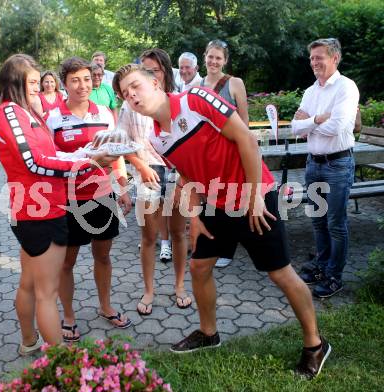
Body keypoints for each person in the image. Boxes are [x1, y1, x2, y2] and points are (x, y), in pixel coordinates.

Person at [113, 64, 331, 379]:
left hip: (253, 195)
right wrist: (196, 216)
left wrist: (255, 196)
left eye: (135, 86)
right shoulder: (157, 139)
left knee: (280, 273)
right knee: (199, 267)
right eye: (125, 93)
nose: (132, 95)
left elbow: (246, 140)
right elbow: (188, 176)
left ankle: (314, 344)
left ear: (155, 82)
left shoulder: (196, 99)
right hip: (216, 204)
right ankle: (208, 333)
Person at [0, 54, 115, 353]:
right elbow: (34, 163)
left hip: (37, 208)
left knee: (30, 283)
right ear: (15, 81)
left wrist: (83, 156)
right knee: (46, 292)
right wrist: (86, 165)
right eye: (32, 82)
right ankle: (61, 359)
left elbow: (51, 155)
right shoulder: (11, 113)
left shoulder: (22, 112)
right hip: (40, 210)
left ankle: (29, 341)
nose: (38, 87)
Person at [45, 56, 132, 341]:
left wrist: (122, 186)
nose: (82, 85)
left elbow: (116, 152)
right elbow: (46, 160)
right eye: (75, 80)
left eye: (86, 79)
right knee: (67, 262)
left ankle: (105, 307)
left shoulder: (105, 113)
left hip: (102, 195)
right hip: (67, 200)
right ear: (64, 84)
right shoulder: (53, 118)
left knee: (103, 255)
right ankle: (68, 316)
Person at [117, 48, 192, 316]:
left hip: (178, 173)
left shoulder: (179, 101)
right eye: (144, 69)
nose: (149, 74)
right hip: (146, 173)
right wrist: (139, 164)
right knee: (148, 236)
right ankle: (149, 290)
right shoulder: (130, 105)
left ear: (162, 75)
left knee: (179, 232)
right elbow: (121, 142)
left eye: (154, 70)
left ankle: (180, 286)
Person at [291, 38, 358, 298]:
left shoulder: (346, 88)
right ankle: (321, 266)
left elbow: (339, 127)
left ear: (335, 58)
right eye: (311, 58)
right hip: (314, 165)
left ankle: (334, 276)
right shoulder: (311, 91)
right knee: (318, 221)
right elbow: (295, 129)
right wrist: (318, 118)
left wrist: (308, 123)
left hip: (338, 165)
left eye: (319, 57)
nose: (314, 62)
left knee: (335, 224)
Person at [201, 39, 250, 268]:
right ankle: (213, 245)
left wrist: (244, 149)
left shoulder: (235, 83)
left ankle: (228, 250)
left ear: (225, 61)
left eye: (218, 58)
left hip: (231, 151)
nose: (213, 61)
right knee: (212, 200)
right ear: (205, 57)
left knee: (231, 199)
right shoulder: (198, 85)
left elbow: (244, 120)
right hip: (209, 154)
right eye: (210, 56)